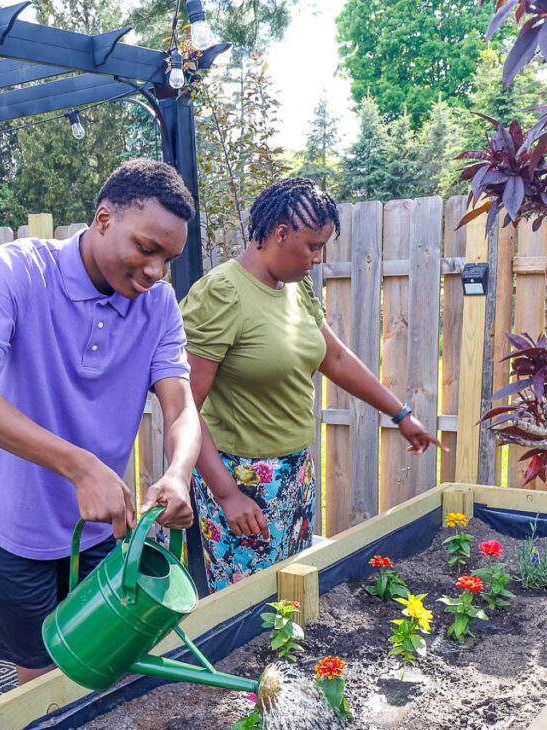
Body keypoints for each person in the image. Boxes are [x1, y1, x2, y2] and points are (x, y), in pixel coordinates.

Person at [0, 158, 202, 683]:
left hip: (104, 525)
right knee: (42, 681)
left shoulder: (160, 304)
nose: (155, 271)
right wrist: (81, 467)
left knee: (105, 664)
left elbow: (181, 406)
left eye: (167, 258)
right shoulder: (18, 270)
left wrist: (178, 472)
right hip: (17, 526)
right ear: (104, 218)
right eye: (146, 248)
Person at [181, 177, 443, 593]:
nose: (317, 260)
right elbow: (183, 406)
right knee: (248, 608)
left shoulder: (296, 287)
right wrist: (227, 493)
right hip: (242, 479)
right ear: (279, 233)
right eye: (312, 246)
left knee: (291, 594)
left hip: (295, 472)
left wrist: (400, 412)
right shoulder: (221, 293)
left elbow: (334, 357)